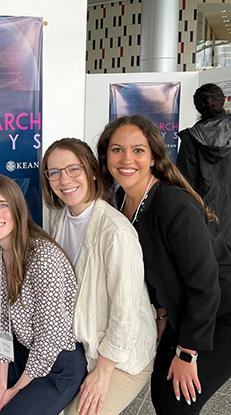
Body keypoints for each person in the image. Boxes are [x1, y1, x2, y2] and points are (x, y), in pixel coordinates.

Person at [97, 114, 231, 414]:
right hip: (181, 310)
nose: (126, 158)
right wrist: (161, 312)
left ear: (155, 157)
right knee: (162, 393)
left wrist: (187, 353)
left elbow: (204, 285)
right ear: (105, 156)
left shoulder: (172, 204)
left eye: (138, 150)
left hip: (221, 312)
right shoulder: (120, 200)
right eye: (116, 149)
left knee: (176, 401)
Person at [40, 138, 156, 415]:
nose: (63, 179)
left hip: (120, 357)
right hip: (80, 348)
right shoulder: (59, 219)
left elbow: (125, 314)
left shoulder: (115, 232)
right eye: (54, 172)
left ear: (91, 171)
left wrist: (103, 373)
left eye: (73, 169)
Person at [0, 174, 86, 415]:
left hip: (58, 365)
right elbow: (2, 320)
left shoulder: (43, 258)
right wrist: (1, 384)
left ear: (17, 209)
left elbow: (49, 339)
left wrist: (12, 393)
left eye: (3, 205)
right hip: (21, 356)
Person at [178, 83, 231, 250]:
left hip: (208, 215)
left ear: (197, 108)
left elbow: (185, 184)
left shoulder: (191, 138)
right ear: (223, 101)